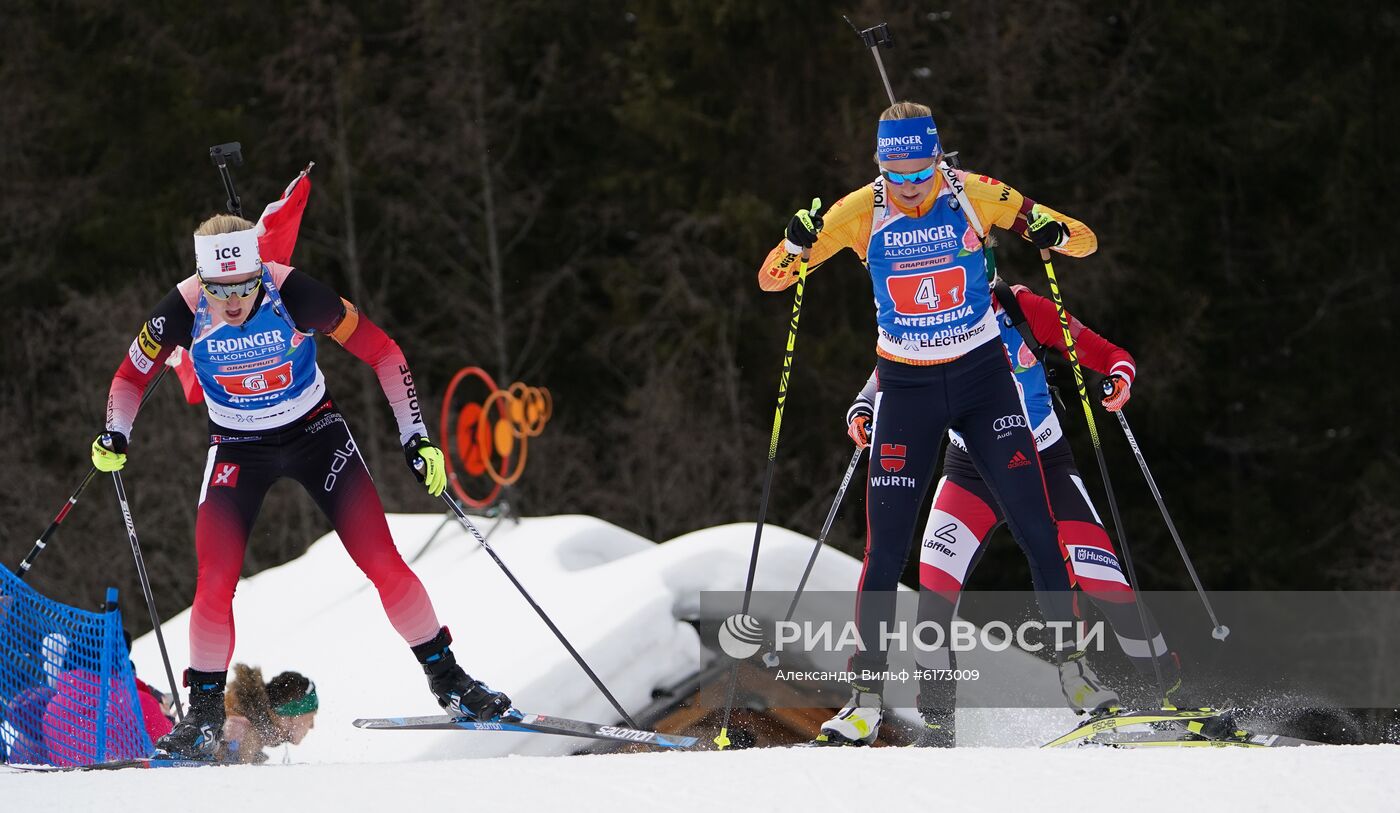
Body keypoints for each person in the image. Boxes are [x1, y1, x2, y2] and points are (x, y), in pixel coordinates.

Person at [90, 211, 513, 759]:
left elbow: (385, 352)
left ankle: (450, 680)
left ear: (259, 270)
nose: (234, 300)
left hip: (315, 434)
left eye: (245, 284)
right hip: (238, 447)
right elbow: (128, 379)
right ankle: (203, 718)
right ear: (203, 279)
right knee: (214, 582)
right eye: (221, 289)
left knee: (383, 561)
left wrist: (417, 437)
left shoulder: (294, 293)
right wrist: (113, 434)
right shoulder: (181, 308)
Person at [757, 101, 1097, 745]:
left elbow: (1083, 238)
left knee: (1036, 526)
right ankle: (863, 698)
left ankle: (1073, 671)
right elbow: (776, 279)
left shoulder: (977, 196)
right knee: (884, 550)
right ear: (879, 164)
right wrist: (797, 244)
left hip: (983, 380)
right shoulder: (859, 212)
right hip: (907, 390)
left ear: (939, 160)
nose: (910, 188)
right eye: (896, 172)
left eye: (921, 172)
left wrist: (1053, 231)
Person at [846, 278, 1181, 746]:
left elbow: (1108, 354)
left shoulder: (1020, 307)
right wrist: (863, 405)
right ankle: (940, 730)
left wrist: (1118, 379)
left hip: (1043, 464)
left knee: (1106, 584)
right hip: (969, 475)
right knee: (934, 600)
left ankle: (1171, 699)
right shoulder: (934, 311)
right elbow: (893, 367)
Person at [217, 664, 317, 764]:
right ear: (291, 717)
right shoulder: (241, 731)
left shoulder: (253, 726)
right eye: (311, 717)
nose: (312, 725)